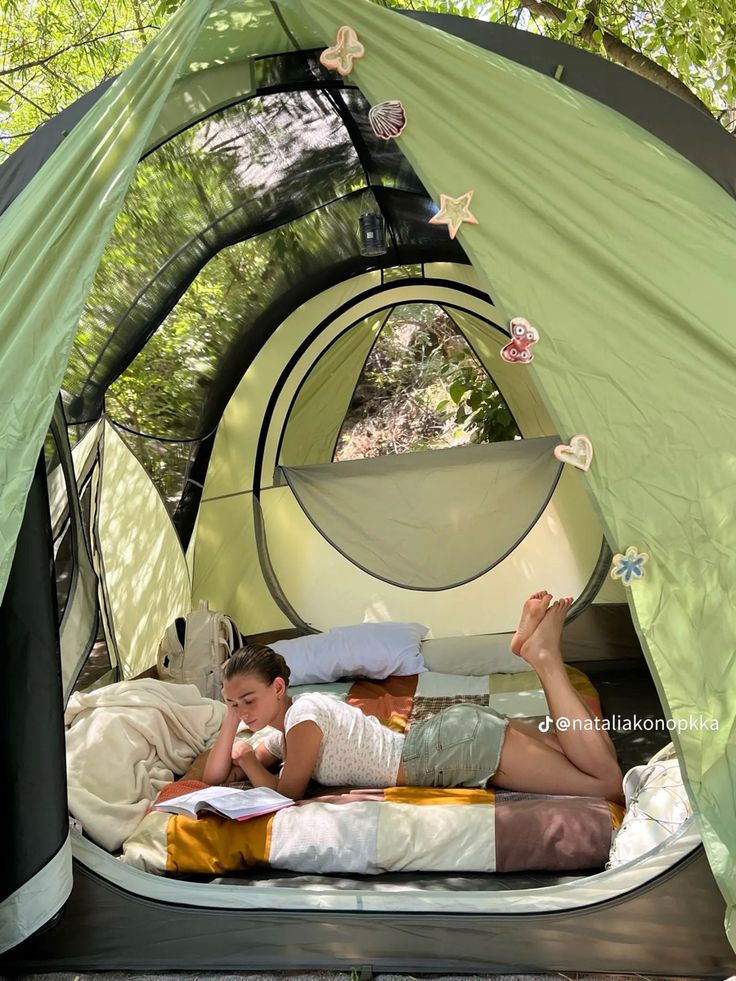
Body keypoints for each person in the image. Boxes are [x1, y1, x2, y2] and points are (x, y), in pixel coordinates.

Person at [202, 592, 624, 804]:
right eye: (232, 703)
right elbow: (213, 779)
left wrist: (250, 759)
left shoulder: (304, 719)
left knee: (607, 787)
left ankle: (545, 659)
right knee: (596, 764)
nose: (242, 712)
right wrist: (230, 726)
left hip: (452, 751)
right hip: (452, 735)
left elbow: (286, 794)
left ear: (278, 688)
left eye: (248, 700)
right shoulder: (289, 733)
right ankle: (542, 654)